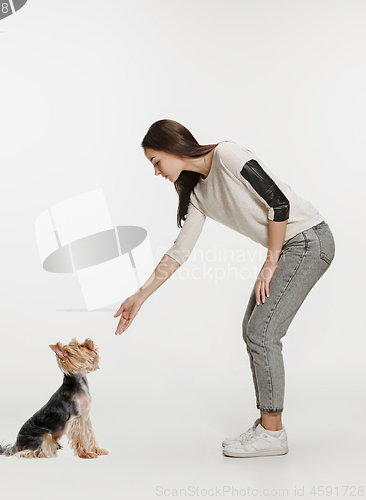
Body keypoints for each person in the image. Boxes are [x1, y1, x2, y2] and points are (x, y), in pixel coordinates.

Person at [114, 119, 336, 458]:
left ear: (173, 147)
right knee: (253, 331)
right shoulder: (198, 194)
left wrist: (271, 261)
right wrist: (140, 296)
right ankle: (267, 425)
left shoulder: (228, 155)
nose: (156, 172)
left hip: (308, 240)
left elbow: (278, 202)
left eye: (156, 161)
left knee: (263, 331)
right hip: (290, 246)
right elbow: (179, 252)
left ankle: (273, 434)